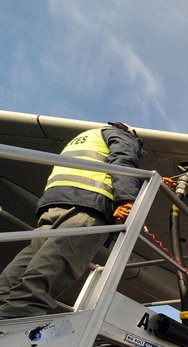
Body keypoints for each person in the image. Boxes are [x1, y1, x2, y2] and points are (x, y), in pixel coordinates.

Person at [0, 122, 143, 319]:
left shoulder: (85, 137)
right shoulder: (122, 136)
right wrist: (127, 198)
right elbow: (122, 163)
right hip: (89, 205)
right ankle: (17, 321)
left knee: (30, 261)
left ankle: (4, 307)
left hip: (55, 205)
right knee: (52, 267)